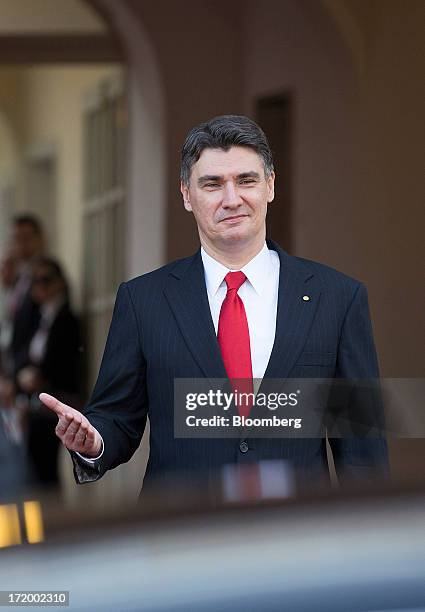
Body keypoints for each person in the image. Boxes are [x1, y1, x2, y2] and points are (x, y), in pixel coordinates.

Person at [40, 115, 388, 494]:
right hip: (181, 537)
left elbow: (362, 447)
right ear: (187, 195)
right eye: (212, 184)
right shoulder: (143, 301)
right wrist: (95, 441)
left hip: (296, 539)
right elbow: (117, 417)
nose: (232, 199)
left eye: (246, 180)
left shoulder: (337, 297)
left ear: (270, 185)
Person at [18, 257, 81, 490]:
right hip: (35, 403)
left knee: (46, 472)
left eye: (45, 280)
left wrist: (40, 378)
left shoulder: (66, 319)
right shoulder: (39, 317)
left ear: (59, 283)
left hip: (54, 401)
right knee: (34, 470)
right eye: (35, 281)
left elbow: (64, 362)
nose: (39, 286)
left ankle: (52, 522)